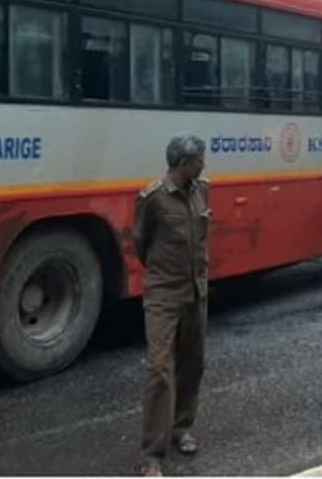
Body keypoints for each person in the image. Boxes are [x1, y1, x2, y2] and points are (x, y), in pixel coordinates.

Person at [135, 133, 211, 477]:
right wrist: (163, 277)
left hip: (196, 293)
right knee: (159, 371)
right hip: (164, 295)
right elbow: (142, 243)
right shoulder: (153, 199)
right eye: (199, 160)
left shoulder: (203, 190)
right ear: (183, 164)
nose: (204, 164)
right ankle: (152, 454)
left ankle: (181, 428)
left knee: (192, 365)